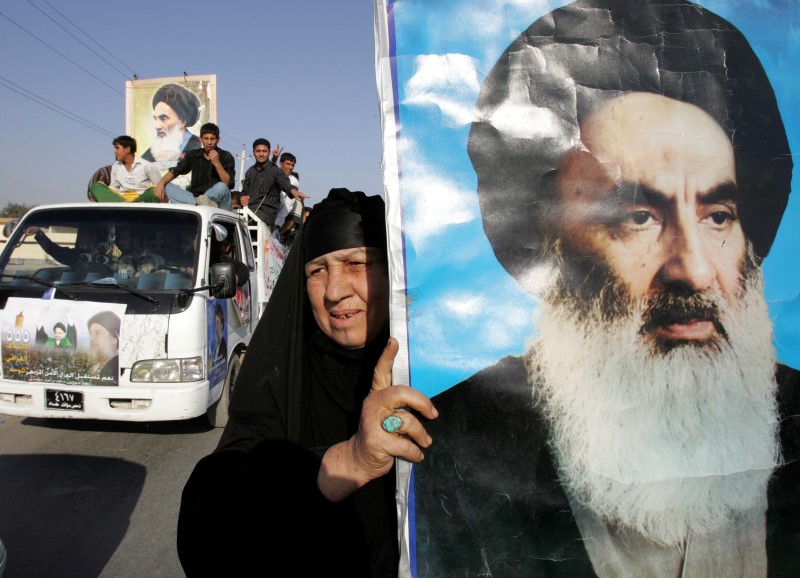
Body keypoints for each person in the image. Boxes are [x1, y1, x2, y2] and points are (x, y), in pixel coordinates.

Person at [413, 0, 799, 575]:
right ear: (547, 244)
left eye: (719, 215)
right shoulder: (452, 443)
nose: (693, 270)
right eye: (639, 217)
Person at [177, 189, 437, 576]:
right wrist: (349, 461)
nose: (334, 292)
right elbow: (205, 528)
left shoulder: (439, 371)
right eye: (317, 271)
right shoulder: (284, 372)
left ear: (397, 273)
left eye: (356, 263)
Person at [153, 123, 234, 210]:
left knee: (222, 187)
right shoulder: (194, 155)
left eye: (212, 139)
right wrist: (161, 183)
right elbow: (176, 171)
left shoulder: (226, 156)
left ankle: (202, 202)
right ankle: (200, 203)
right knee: (166, 186)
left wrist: (217, 163)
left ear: (218, 140)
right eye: (206, 139)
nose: (209, 142)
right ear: (200, 139)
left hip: (219, 203)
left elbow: (227, 183)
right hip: (194, 199)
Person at [240, 138, 306, 228]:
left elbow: (284, 183)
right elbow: (245, 191)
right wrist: (242, 197)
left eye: (264, 151)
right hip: (249, 210)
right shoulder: (250, 171)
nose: (261, 154)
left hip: (266, 212)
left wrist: (293, 192)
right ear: (253, 152)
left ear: (269, 152)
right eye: (258, 151)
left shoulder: (275, 170)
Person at [140, 83, 202, 164]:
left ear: (182, 122)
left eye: (163, 118)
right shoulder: (149, 156)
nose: (157, 126)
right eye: (156, 119)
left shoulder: (196, 150)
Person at [89, 136, 162, 203]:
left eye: (117, 148)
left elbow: (159, 186)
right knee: (96, 186)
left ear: (127, 149)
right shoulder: (116, 166)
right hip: (121, 199)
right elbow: (114, 187)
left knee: (155, 189)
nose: (114, 151)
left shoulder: (146, 165)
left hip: (141, 199)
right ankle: (124, 205)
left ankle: (133, 205)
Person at [87, 311, 120, 386]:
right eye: (90, 333)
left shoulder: (116, 367)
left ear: (114, 340)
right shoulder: (94, 365)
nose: (91, 338)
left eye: (97, 333)